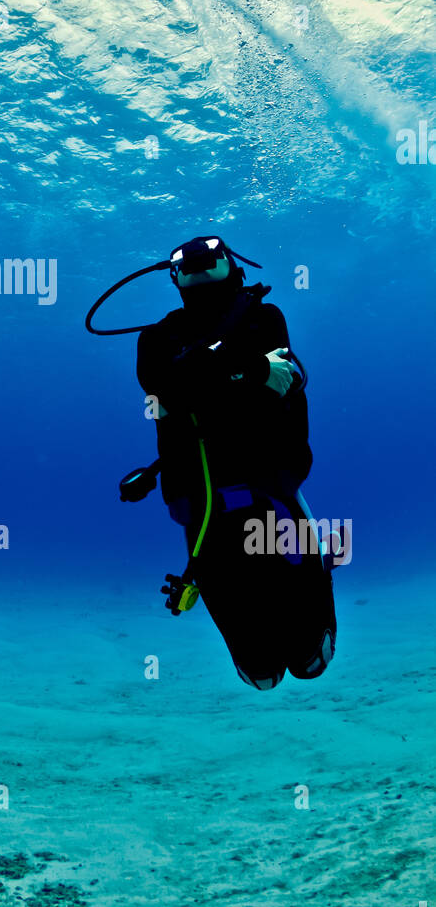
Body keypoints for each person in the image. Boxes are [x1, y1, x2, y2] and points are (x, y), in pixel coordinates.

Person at [120, 234, 337, 690]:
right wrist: (254, 373)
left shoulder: (263, 318)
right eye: (188, 267)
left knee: (311, 654)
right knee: (260, 671)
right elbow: (165, 389)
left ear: (233, 267)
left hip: (272, 487)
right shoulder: (156, 338)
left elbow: (279, 378)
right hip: (202, 501)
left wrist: (206, 376)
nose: (200, 273)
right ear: (174, 278)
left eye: (211, 264)